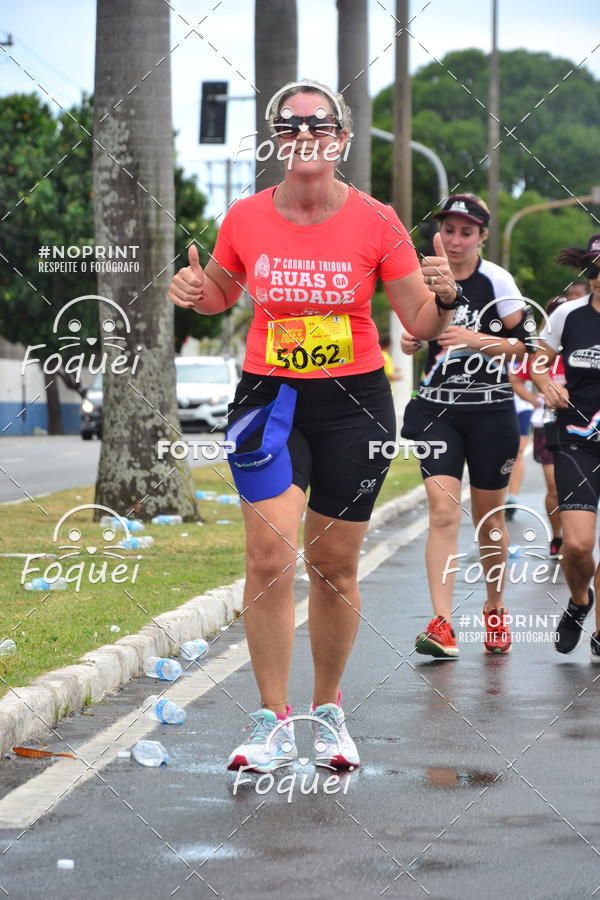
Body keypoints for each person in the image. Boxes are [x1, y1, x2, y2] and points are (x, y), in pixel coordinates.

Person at [168, 80, 459, 771]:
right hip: (269, 398)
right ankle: (270, 718)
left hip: (353, 402)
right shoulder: (244, 218)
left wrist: (445, 300)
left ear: (341, 140)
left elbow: (418, 321)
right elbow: (220, 294)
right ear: (275, 136)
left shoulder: (377, 221)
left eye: (319, 124)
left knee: (333, 565)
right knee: (270, 557)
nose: (305, 133)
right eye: (291, 124)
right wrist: (192, 293)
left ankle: (328, 713)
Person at [400, 193, 532, 659]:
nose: (455, 241)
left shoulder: (496, 280)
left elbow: (529, 346)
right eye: (448, 230)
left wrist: (479, 339)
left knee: (488, 521)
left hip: (492, 412)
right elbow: (416, 329)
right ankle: (442, 623)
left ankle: (495, 608)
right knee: (442, 512)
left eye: (466, 232)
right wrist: (412, 339)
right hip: (438, 411)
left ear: (481, 236)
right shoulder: (423, 274)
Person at [530, 233, 600, 660]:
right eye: (595, 269)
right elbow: (537, 361)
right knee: (577, 545)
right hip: (576, 438)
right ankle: (579, 600)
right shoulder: (568, 316)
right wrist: (544, 384)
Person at [529, 297, 568, 557]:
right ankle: (557, 537)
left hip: (583, 426)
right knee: (554, 486)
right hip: (548, 423)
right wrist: (538, 395)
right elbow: (519, 375)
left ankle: (578, 537)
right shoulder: (542, 351)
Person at [505, 364, 535, 519]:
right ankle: (496, 496)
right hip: (496, 405)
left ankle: (512, 498)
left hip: (522, 406)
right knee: (497, 454)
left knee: (518, 453)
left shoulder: (525, 347)